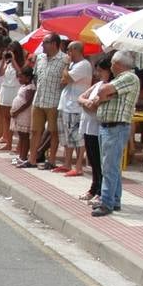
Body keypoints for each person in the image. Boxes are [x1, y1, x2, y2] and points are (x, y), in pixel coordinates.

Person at [83, 51, 140, 217]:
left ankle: (106, 202)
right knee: (111, 166)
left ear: (118, 64)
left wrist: (102, 97)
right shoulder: (121, 79)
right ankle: (114, 199)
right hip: (108, 126)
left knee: (109, 167)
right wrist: (103, 96)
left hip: (116, 127)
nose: (111, 68)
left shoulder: (129, 77)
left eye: (113, 64)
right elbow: (103, 93)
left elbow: (103, 90)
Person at [76, 57, 113, 205]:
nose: (98, 73)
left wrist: (87, 104)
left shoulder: (109, 87)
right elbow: (81, 98)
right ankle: (93, 187)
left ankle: (100, 190)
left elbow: (95, 105)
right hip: (88, 125)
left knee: (99, 161)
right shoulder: (98, 84)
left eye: (101, 70)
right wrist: (86, 102)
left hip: (98, 127)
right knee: (92, 159)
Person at [29, 34, 67, 170]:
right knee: (34, 130)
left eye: (45, 42)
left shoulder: (64, 60)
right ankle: (32, 159)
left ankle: (51, 160)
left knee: (53, 132)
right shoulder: (40, 58)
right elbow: (36, 77)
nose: (42, 45)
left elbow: (66, 80)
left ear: (55, 44)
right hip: (39, 99)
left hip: (54, 100)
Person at [57, 40, 90, 176]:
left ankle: (78, 167)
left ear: (76, 50)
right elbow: (63, 80)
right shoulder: (72, 64)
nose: (67, 53)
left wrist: (65, 67)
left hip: (75, 107)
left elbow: (68, 78)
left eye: (69, 50)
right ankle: (67, 163)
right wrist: (67, 70)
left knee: (77, 139)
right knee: (66, 138)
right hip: (65, 104)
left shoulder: (84, 65)